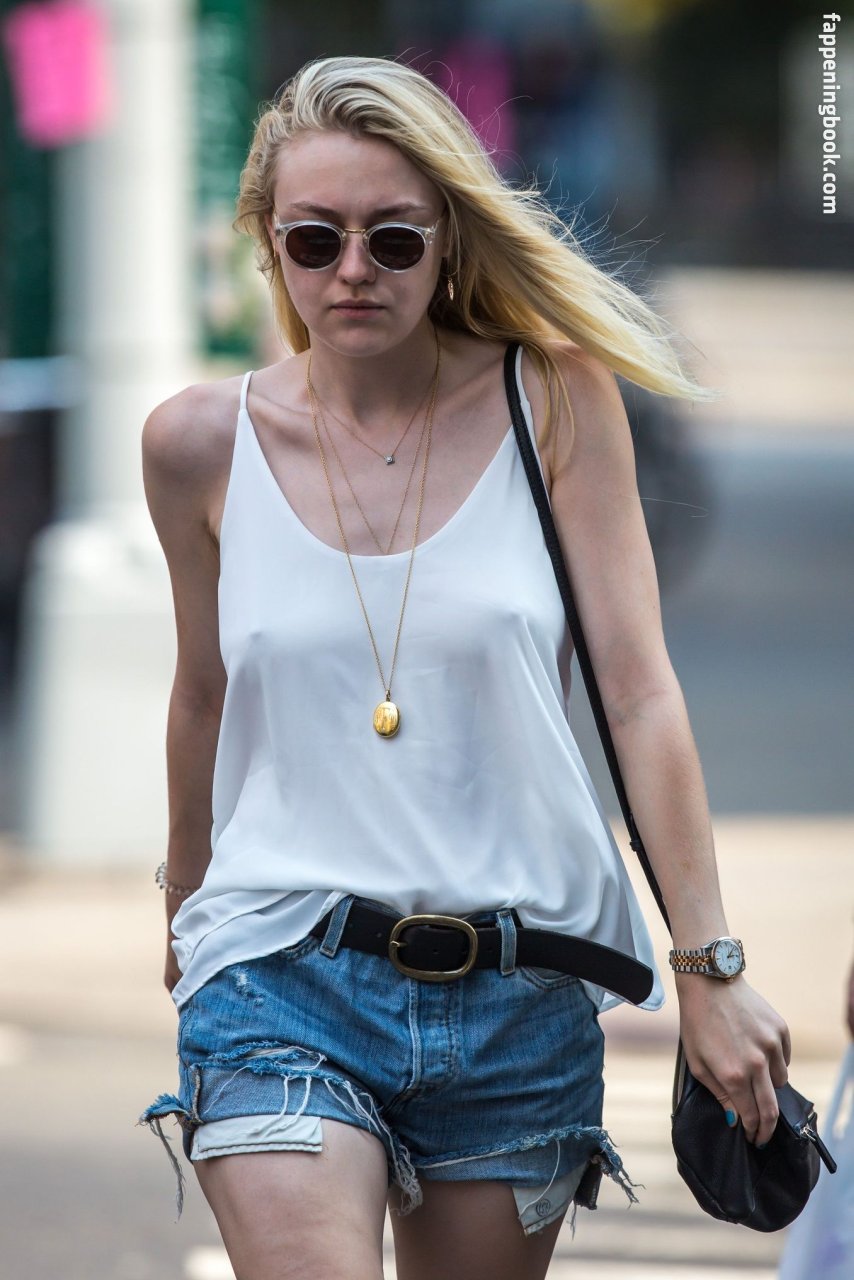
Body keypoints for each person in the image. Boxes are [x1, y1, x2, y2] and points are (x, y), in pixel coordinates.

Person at [139, 54, 791, 1280]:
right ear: (266, 242)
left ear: (447, 240)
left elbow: (638, 691)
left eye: (392, 239)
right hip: (280, 969)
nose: (351, 270)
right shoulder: (195, 444)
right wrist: (186, 906)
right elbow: (202, 694)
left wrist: (709, 967)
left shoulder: (552, 399)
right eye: (314, 238)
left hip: (517, 986)